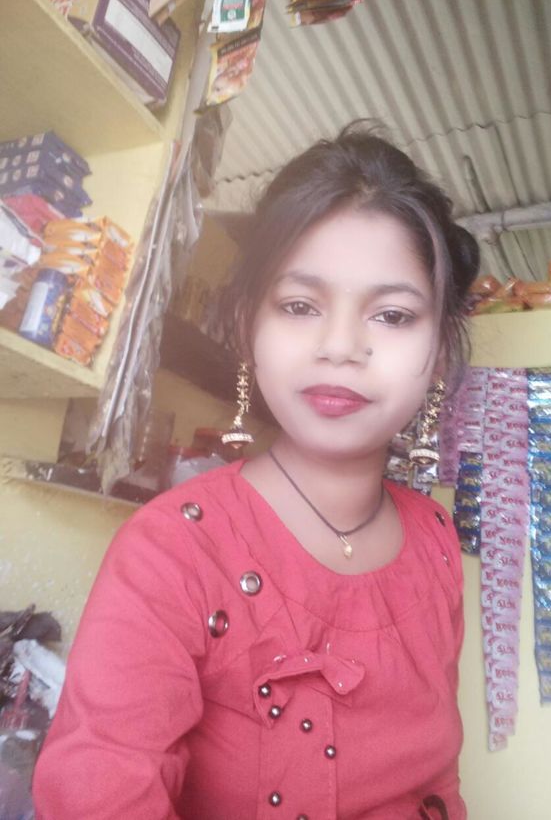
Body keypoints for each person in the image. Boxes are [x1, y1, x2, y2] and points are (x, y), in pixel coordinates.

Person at [33, 122, 480, 819]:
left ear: (441, 350)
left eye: (392, 315)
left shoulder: (436, 540)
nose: (341, 346)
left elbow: (439, 784)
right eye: (299, 306)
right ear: (247, 327)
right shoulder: (171, 553)